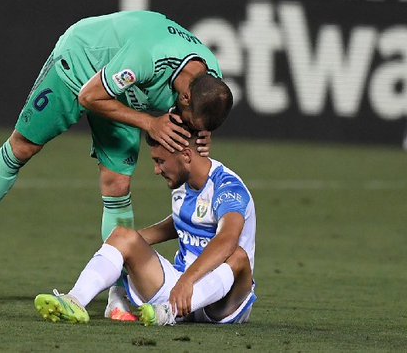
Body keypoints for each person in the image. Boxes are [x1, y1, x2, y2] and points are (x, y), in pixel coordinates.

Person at [0, 10, 233, 322]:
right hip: (81, 66)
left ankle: (119, 297)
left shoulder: (210, 79)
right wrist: (149, 122)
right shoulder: (147, 56)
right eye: (188, 119)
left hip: (126, 94)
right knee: (23, 148)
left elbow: (198, 124)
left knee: (118, 184)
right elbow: (90, 96)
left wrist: (201, 138)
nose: (186, 125)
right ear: (186, 97)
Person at [34, 128, 256, 325]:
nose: (156, 170)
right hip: (178, 286)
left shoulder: (228, 189)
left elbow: (227, 240)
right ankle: (74, 301)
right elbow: (185, 220)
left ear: (186, 156)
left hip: (222, 301)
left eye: (160, 161)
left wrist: (188, 281)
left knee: (237, 255)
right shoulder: (182, 182)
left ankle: (170, 312)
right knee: (122, 235)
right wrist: (129, 245)